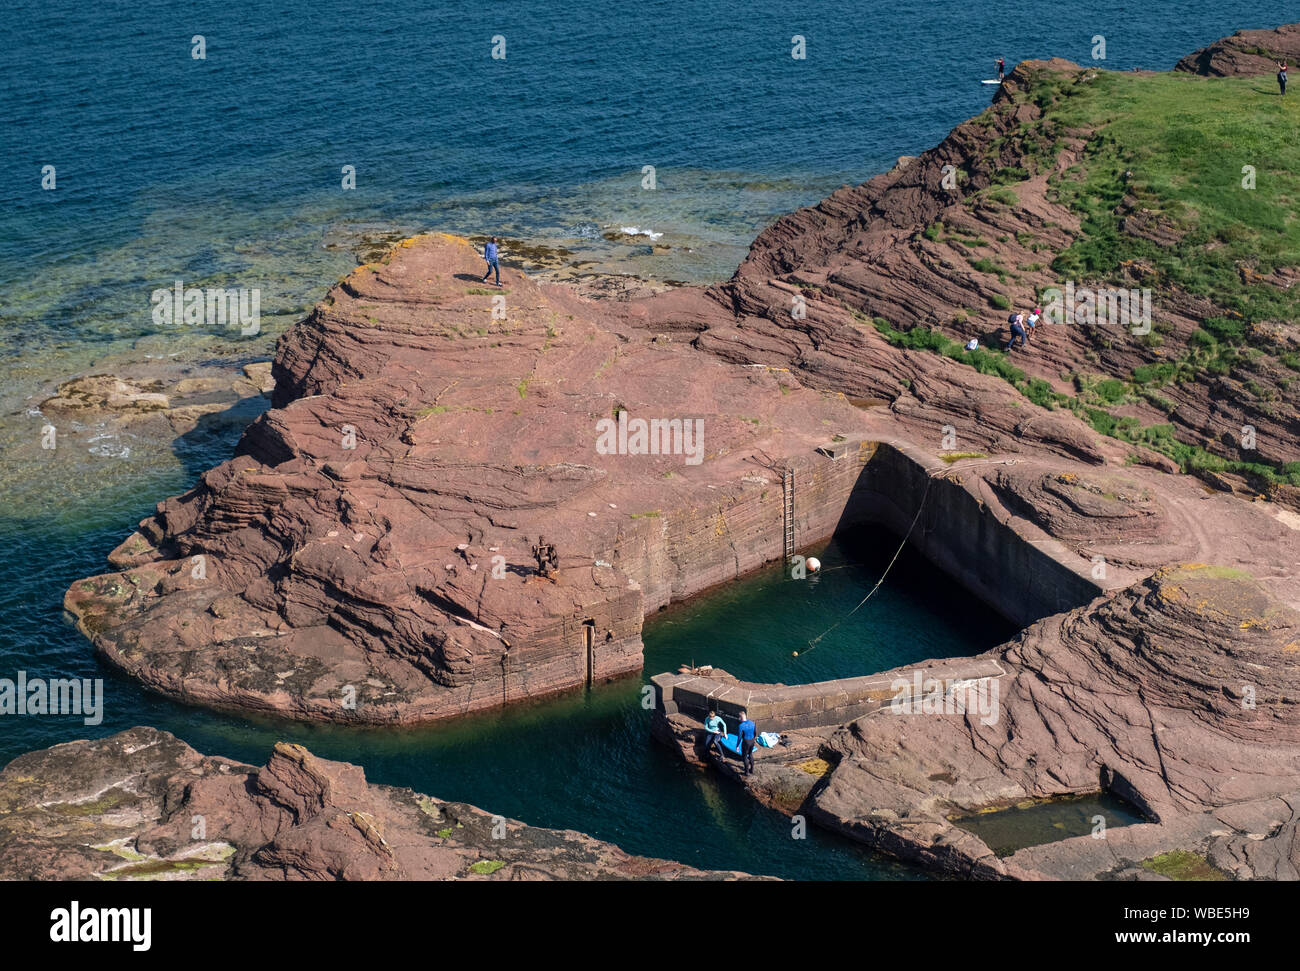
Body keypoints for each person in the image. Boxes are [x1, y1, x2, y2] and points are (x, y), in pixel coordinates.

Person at [736, 709, 757, 775]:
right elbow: (755, 732)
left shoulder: (741, 726)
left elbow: (739, 737)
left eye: (738, 717)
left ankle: (747, 772)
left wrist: (737, 745)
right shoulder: (752, 723)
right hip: (752, 741)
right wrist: (753, 739)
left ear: (740, 717)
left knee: (745, 756)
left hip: (746, 742)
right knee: (750, 754)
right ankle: (752, 769)